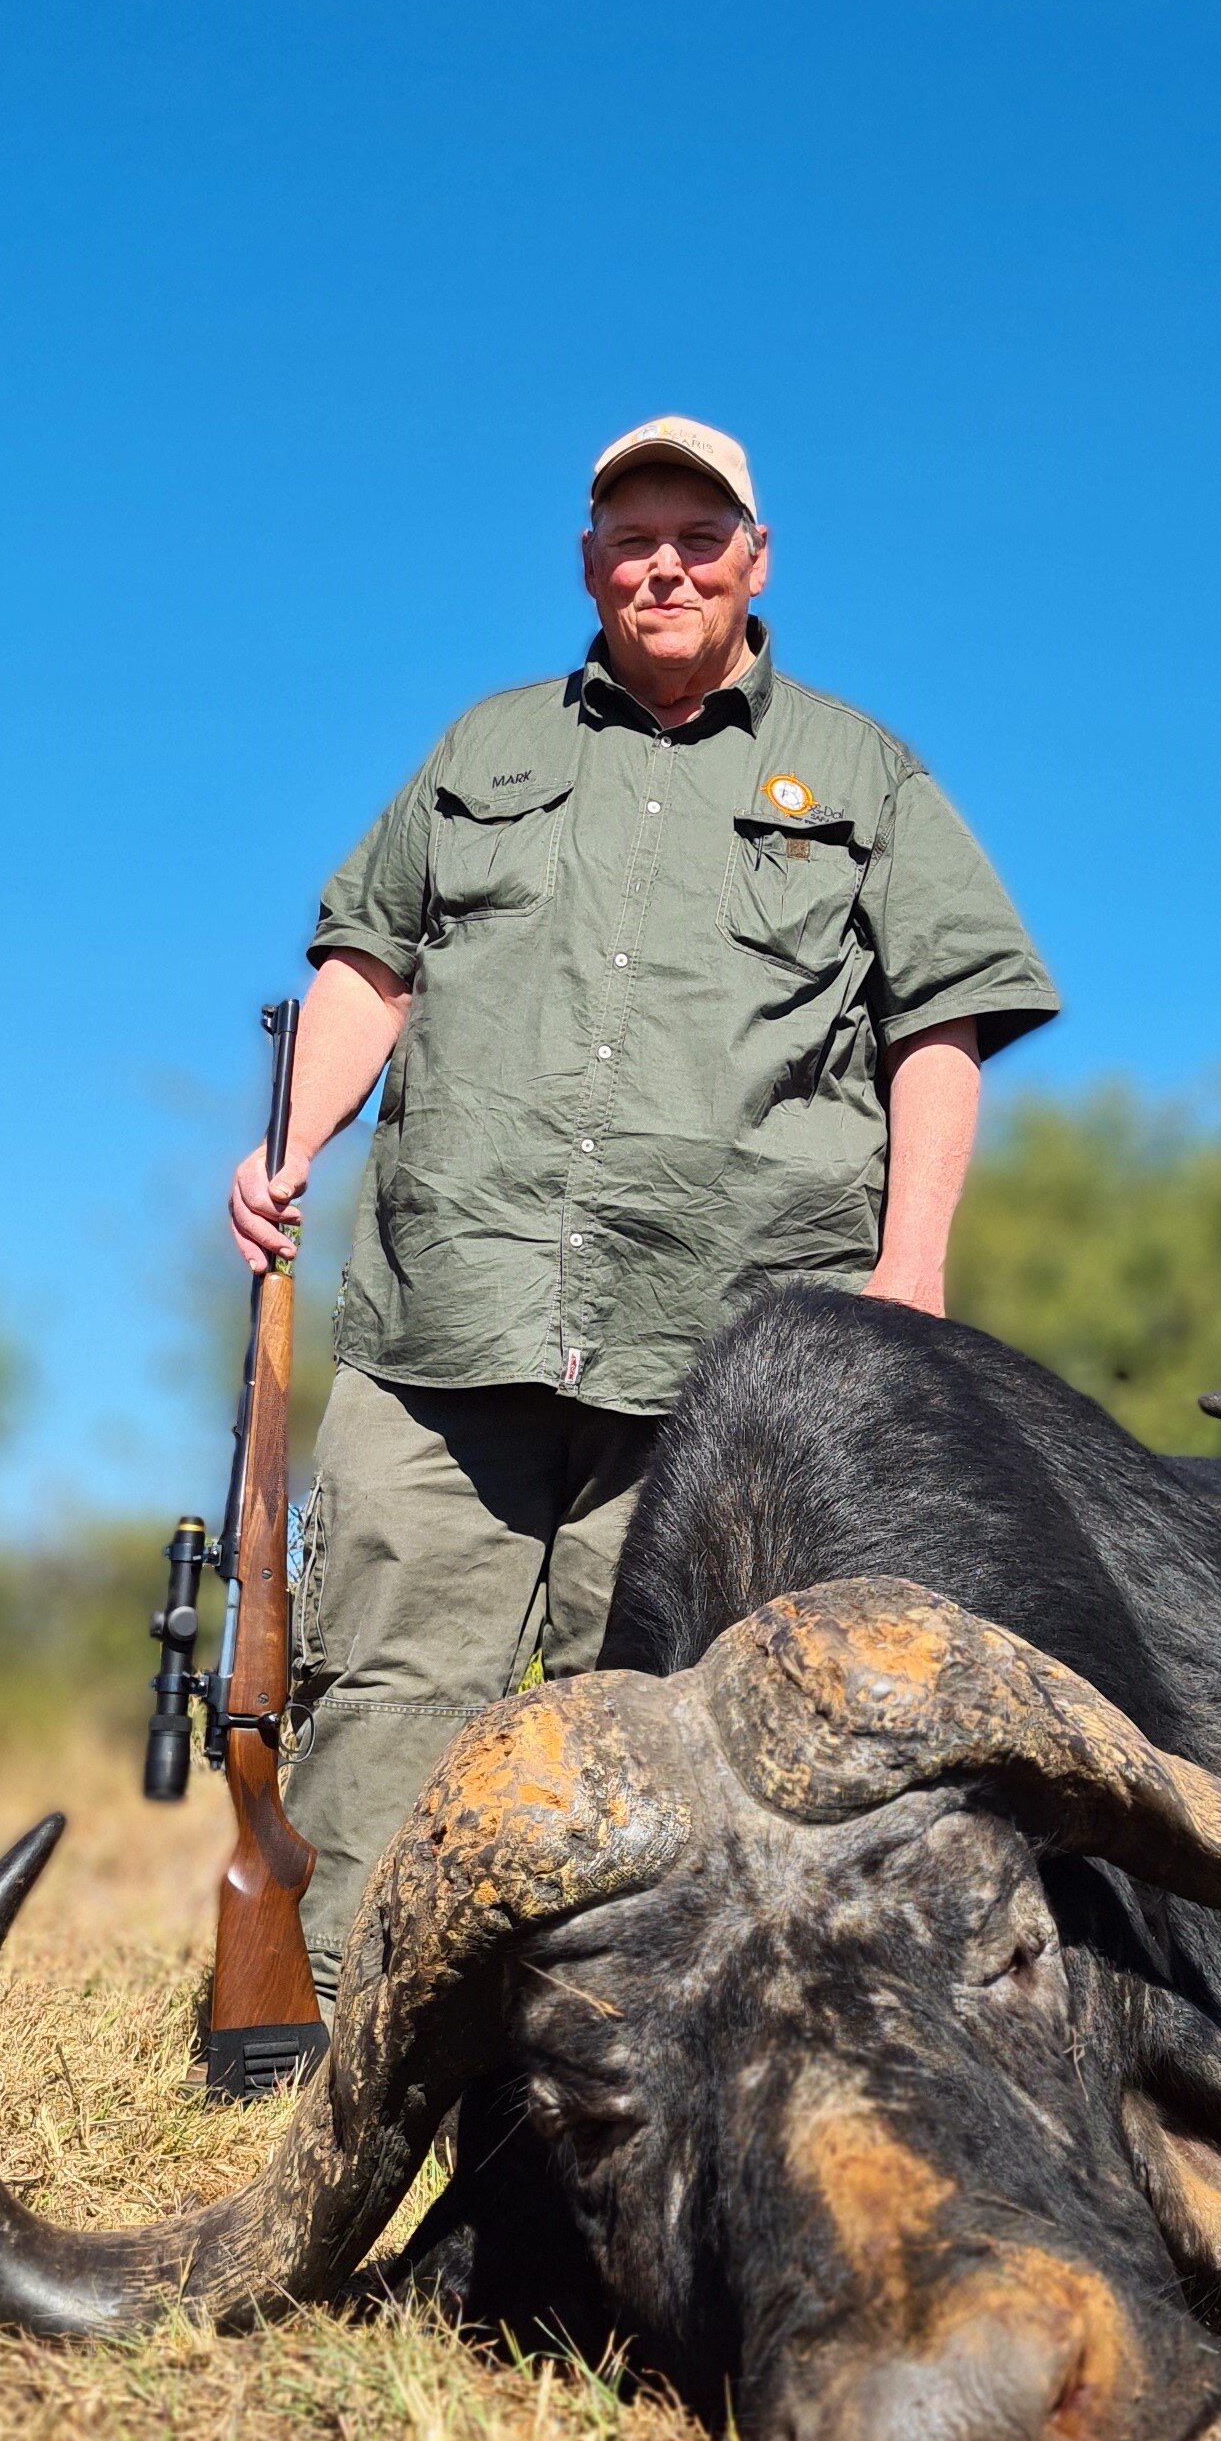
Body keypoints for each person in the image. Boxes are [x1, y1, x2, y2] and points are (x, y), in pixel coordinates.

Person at [229, 414, 1058, 2002]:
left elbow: (938, 1026)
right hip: (448, 1312)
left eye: (697, 537)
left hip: (725, 1347)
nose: (661, 564)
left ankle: (632, 2045)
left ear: (755, 562)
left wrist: (913, 1270)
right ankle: (335, 2032)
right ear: (587, 561)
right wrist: (293, 1148)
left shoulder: (866, 770)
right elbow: (369, 965)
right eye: (630, 537)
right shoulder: (485, 749)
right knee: (390, 1676)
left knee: (671, 1703)